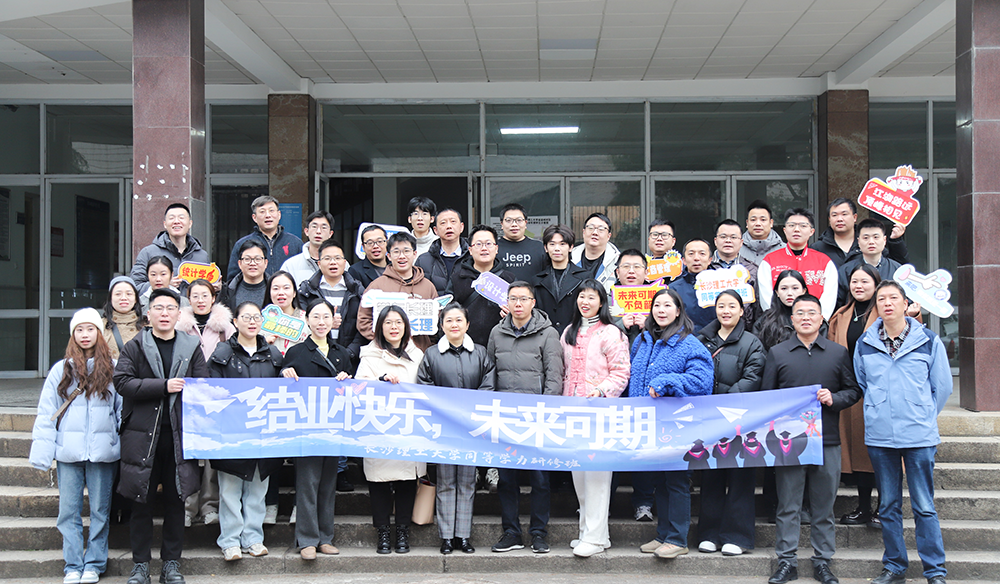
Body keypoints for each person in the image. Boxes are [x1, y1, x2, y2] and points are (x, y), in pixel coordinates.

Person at [855, 280, 952, 584]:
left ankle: (934, 570)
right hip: (881, 435)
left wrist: (921, 414)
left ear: (905, 303)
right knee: (888, 505)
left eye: (893, 298)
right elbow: (863, 382)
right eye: (881, 299)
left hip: (918, 435)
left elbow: (942, 387)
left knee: (924, 505)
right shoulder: (865, 342)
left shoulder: (928, 340)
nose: (887, 303)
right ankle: (895, 566)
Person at [761, 294, 861, 584]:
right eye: (800, 313)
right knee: (788, 505)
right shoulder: (778, 353)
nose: (806, 317)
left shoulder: (837, 353)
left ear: (821, 319)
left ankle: (823, 561)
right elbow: (767, 397)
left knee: (823, 506)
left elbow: (853, 390)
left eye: (811, 313)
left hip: (827, 440)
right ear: (792, 320)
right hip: (789, 443)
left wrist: (834, 398)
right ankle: (786, 561)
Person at [113, 288, 209, 584]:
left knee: (175, 503)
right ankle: (140, 566)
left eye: (170, 308)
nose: (164, 313)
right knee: (140, 504)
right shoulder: (135, 346)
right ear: (148, 314)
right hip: (142, 438)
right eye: (158, 308)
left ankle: (171, 565)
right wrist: (163, 386)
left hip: (179, 438)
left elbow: (202, 385)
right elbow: (122, 382)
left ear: (179, 314)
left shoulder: (191, 346)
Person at [30, 308, 121, 584]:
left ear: (99, 333)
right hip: (68, 452)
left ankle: (94, 563)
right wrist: (42, 453)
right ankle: (73, 564)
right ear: (73, 334)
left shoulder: (114, 368)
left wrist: (119, 442)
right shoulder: (61, 369)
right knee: (68, 512)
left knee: (100, 512)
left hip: (103, 453)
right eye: (79, 330)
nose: (85, 334)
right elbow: (48, 412)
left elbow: (122, 410)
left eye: (90, 329)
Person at [627, 288, 713, 560]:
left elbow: (702, 382)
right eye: (657, 305)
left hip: (679, 426)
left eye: (667, 305)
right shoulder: (642, 341)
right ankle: (663, 535)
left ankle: (677, 539)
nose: (661, 310)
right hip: (649, 425)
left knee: (677, 481)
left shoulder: (689, 344)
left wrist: (667, 382)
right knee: (660, 482)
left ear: (678, 311)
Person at [487, 281, 564, 554]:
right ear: (507, 303)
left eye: (523, 299)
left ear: (533, 302)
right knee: (507, 479)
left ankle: (538, 533)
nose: (518, 304)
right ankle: (512, 532)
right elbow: (490, 371)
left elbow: (554, 375)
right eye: (513, 299)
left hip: (536, 417)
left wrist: (547, 410)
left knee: (540, 479)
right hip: (505, 416)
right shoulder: (497, 332)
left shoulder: (548, 333)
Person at [206, 302, 284, 562]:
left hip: (264, 433)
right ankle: (230, 541)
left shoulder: (273, 354)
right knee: (229, 491)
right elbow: (211, 391)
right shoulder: (222, 353)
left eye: (256, 317)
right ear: (235, 322)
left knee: (258, 491)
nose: (252, 322)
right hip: (232, 433)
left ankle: (253, 538)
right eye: (246, 317)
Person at [279, 298, 355, 560]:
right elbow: (282, 386)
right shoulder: (296, 352)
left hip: (332, 427)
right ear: (307, 320)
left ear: (334, 319)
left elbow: (353, 391)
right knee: (307, 484)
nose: (321, 322)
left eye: (326, 317)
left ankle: (325, 538)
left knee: (327, 485)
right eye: (316, 317)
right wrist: (284, 373)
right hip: (306, 427)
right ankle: (307, 540)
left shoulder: (341, 353)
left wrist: (347, 380)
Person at [416, 303, 495, 555]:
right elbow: (424, 387)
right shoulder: (431, 355)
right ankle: (447, 537)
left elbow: (488, 386)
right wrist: (447, 412)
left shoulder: (480, 353)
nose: (454, 325)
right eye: (449, 320)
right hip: (444, 429)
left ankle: (463, 536)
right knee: (446, 482)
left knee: (467, 482)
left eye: (459, 320)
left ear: (467, 324)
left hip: (471, 428)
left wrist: (471, 414)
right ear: (441, 326)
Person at [560, 279, 630, 557]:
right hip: (572, 411)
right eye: (581, 296)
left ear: (602, 302)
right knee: (579, 475)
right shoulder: (568, 331)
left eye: (592, 297)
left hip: (600, 412)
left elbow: (621, 373)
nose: (585, 302)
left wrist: (600, 390)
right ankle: (592, 534)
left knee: (598, 477)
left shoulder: (612, 333)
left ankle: (594, 538)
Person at [694, 290, 766, 557]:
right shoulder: (702, 340)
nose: (726, 311)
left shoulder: (752, 342)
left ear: (741, 311)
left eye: (732, 306)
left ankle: (737, 535)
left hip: (740, 420)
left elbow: (753, 377)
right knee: (711, 476)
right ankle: (709, 534)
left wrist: (723, 405)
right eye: (721, 306)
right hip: (708, 421)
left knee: (740, 477)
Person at [356, 305, 426, 554]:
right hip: (379, 428)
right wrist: (380, 382)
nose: (394, 327)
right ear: (380, 327)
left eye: (398, 322)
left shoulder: (418, 355)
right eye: (388, 323)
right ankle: (383, 532)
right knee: (379, 483)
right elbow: (358, 389)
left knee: (407, 482)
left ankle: (403, 531)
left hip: (409, 428)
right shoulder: (369, 356)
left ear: (406, 327)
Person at [829, 265, 888, 528]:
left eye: (865, 281)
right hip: (851, 391)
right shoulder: (841, 315)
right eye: (855, 281)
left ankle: (884, 509)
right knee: (858, 453)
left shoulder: (885, 312)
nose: (859, 286)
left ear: (876, 284)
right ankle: (863, 507)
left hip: (880, 391)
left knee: (881, 452)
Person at [176, 279, 235, 528]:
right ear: (188, 299)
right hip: (186, 397)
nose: (200, 300)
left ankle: (210, 505)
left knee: (212, 454)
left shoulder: (225, 327)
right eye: (195, 296)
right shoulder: (179, 325)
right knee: (187, 454)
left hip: (216, 398)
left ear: (213, 298)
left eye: (205, 295)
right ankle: (187, 507)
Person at [357, 232, 439, 351]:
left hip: (420, 352)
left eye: (406, 251)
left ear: (414, 254)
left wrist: (428, 346)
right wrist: (385, 341)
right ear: (389, 256)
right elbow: (363, 320)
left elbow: (437, 320)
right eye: (396, 252)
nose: (402, 256)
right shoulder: (376, 286)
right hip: (386, 354)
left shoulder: (428, 286)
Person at [758, 208, 838, 319]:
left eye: (803, 226)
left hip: (813, 323)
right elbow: (766, 298)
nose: (796, 229)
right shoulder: (769, 261)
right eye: (792, 225)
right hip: (779, 323)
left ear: (811, 231)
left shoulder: (824, 262)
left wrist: (817, 320)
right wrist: (777, 321)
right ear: (785, 230)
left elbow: (829, 298)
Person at [297, 239, 366, 363]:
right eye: (327, 258)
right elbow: (301, 324)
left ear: (344, 262)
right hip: (313, 358)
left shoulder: (357, 291)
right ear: (319, 263)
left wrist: (347, 354)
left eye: (337, 258)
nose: (333, 262)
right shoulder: (307, 291)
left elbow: (364, 326)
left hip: (349, 359)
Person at [449, 224, 515, 345]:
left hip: (502, 345)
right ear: (470, 250)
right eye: (478, 244)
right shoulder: (457, 278)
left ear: (496, 248)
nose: (484, 248)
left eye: (489, 244)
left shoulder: (510, 279)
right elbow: (448, 313)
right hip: (466, 346)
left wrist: (513, 314)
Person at [130, 203, 211, 293]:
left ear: (190, 223)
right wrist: (163, 285)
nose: (176, 221)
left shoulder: (201, 256)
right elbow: (135, 287)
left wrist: (216, 288)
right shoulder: (148, 253)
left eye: (181, 218)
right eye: (171, 218)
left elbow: (207, 290)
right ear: (165, 224)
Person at [811, 197, 909, 270]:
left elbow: (898, 267)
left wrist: (896, 241)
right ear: (829, 219)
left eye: (844, 214)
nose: (839, 219)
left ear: (855, 217)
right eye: (834, 215)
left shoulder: (868, 242)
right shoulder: (818, 248)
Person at [226, 195, 303, 280]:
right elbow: (233, 279)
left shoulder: (295, 243)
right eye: (262, 212)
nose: (268, 215)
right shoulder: (242, 244)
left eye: (271, 211)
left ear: (279, 214)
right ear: (254, 217)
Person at [534, 224, 590, 335]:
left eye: (562, 244)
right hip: (545, 337)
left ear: (571, 247)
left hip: (576, 336)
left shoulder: (585, 277)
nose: (557, 248)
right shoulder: (537, 280)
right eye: (552, 244)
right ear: (545, 248)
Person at [835, 218, 903, 307]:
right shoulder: (846, 270)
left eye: (876, 237)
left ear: (884, 240)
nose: (871, 242)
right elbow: (838, 303)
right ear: (859, 241)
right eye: (866, 238)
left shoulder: (896, 269)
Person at [710, 219, 760, 328]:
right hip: (708, 330)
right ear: (715, 241)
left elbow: (758, 308)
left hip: (743, 330)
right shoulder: (705, 268)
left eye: (733, 237)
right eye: (723, 237)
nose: (728, 240)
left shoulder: (752, 270)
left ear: (741, 242)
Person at [414, 208, 467, 295]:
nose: (449, 226)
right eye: (443, 223)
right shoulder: (423, 260)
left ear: (461, 227)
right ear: (436, 230)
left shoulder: (472, 257)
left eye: (453, 221)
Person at [754, 270, 809, 352]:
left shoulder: (814, 318)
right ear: (777, 292)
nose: (789, 293)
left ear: (803, 291)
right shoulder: (765, 319)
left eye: (795, 288)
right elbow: (758, 350)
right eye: (784, 288)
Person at [668, 238, 716, 330]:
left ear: (710, 260)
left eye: (702, 254)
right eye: (691, 254)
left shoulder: (721, 285)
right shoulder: (673, 289)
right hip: (683, 337)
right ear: (684, 260)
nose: (696, 258)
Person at [280, 210, 334, 286]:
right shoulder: (290, 265)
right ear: (306, 231)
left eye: (324, 227)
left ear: (330, 234)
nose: (318, 231)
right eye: (314, 227)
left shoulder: (340, 263)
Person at [571, 212, 621, 294]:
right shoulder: (570, 258)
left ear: (608, 236)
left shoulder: (617, 261)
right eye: (590, 228)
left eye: (601, 229)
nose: (595, 232)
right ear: (584, 232)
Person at [496, 203, 546, 284]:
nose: (514, 224)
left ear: (525, 223)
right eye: (509, 220)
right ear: (502, 224)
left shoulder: (538, 247)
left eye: (519, 220)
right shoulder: (494, 248)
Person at [261, 270, 307, 357]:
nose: (281, 293)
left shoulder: (307, 319)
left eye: (286, 288)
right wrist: (263, 345)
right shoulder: (260, 321)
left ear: (294, 293)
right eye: (275, 288)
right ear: (269, 293)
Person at [102, 276, 143, 360]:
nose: (124, 298)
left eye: (129, 294)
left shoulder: (148, 325)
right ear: (110, 298)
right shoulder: (100, 326)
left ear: (136, 299)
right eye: (118, 294)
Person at [224, 241, 269, 313]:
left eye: (258, 259)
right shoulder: (227, 291)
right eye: (247, 259)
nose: (252, 263)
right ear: (240, 264)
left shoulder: (275, 290)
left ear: (265, 263)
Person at [739, 200, 784, 268]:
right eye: (753, 220)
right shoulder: (736, 249)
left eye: (763, 220)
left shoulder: (784, 250)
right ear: (747, 223)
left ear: (771, 223)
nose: (758, 224)